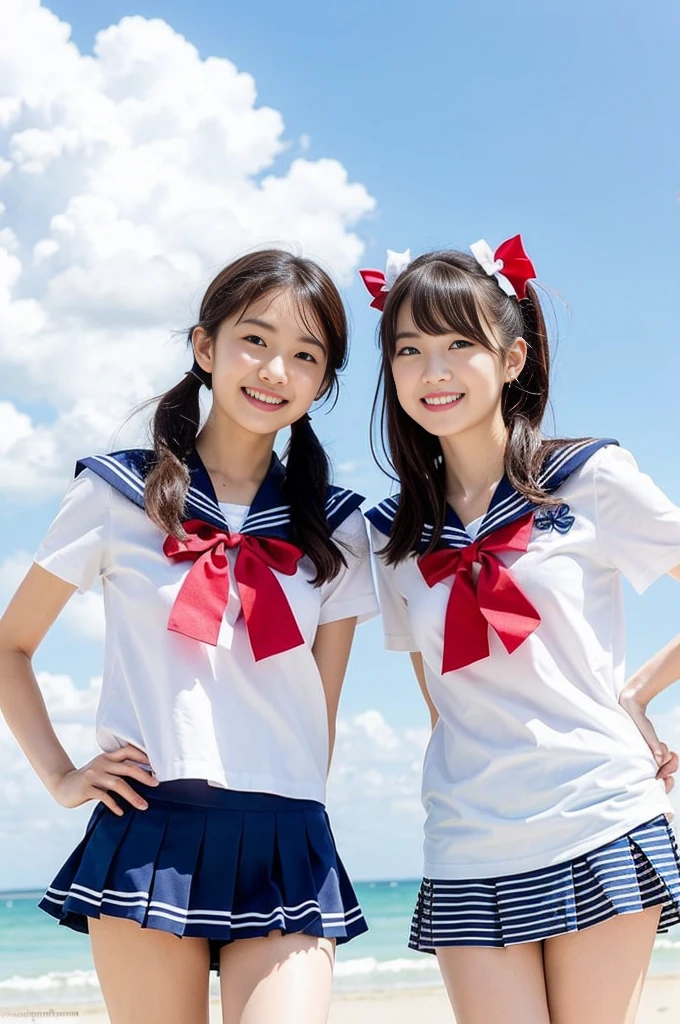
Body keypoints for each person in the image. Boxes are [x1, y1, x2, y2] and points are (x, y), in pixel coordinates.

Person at [0, 249, 378, 1024]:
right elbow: (10, 647)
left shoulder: (338, 528)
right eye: (256, 340)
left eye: (306, 356)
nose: (276, 368)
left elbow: (322, 709)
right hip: (150, 827)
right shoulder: (117, 494)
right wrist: (63, 777)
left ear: (321, 385)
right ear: (205, 348)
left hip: (287, 835)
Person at [360, 238, 680, 1024]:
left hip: (597, 813)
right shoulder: (393, 538)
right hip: (468, 838)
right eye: (409, 349)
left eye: (458, 344)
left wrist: (638, 692)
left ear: (512, 360)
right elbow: (441, 700)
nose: (432, 372)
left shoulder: (590, 479)